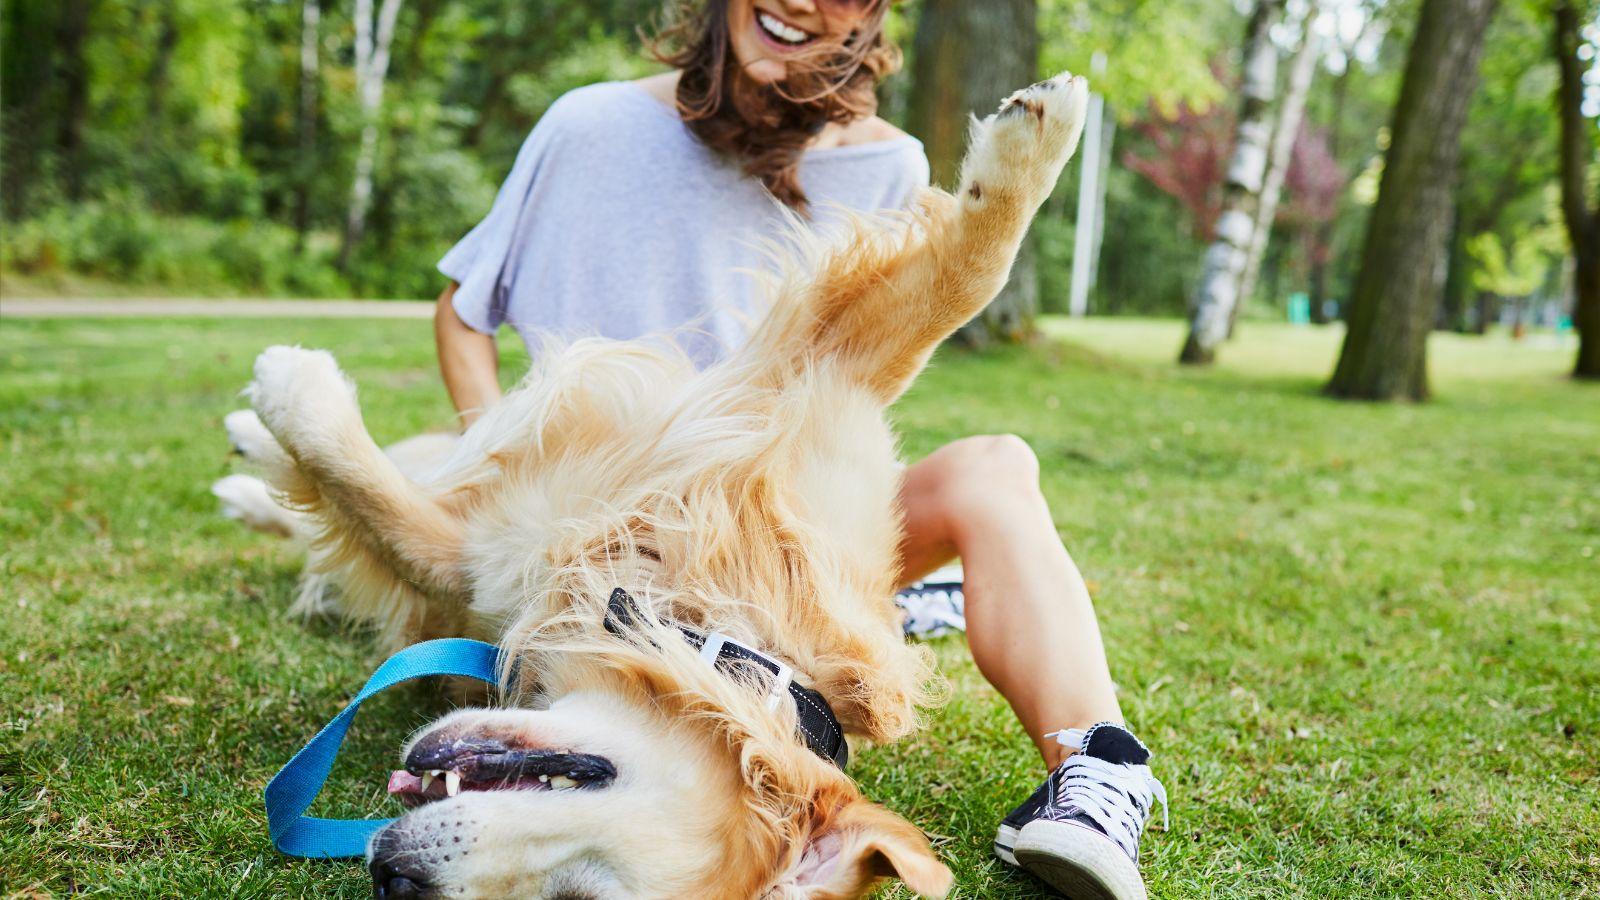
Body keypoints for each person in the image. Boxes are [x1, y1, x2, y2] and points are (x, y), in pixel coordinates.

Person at [432, 1, 1165, 896]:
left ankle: (1098, 773)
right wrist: (494, 467)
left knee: (994, 467)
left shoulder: (888, 162)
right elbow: (465, 314)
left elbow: (850, 390)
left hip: (770, 526)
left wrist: (983, 243)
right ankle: (929, 602)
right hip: (603, 517)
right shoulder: (589, 123)